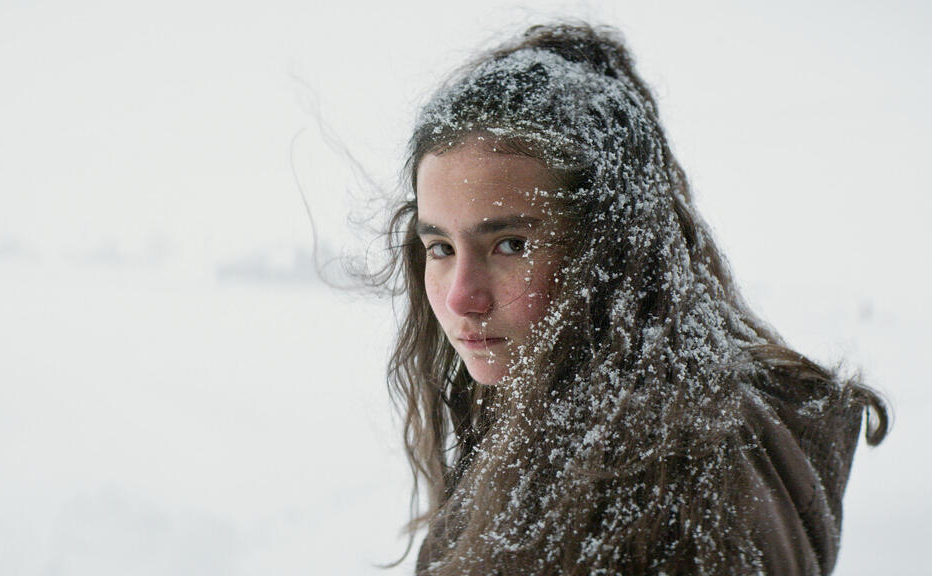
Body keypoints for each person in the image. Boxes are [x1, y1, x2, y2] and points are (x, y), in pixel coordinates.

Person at [372, 21, 888, 575]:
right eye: (441, 247)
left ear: (612, 250)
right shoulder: (686, 419)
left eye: (510, 244)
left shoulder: (650, 505)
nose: (460, 299)